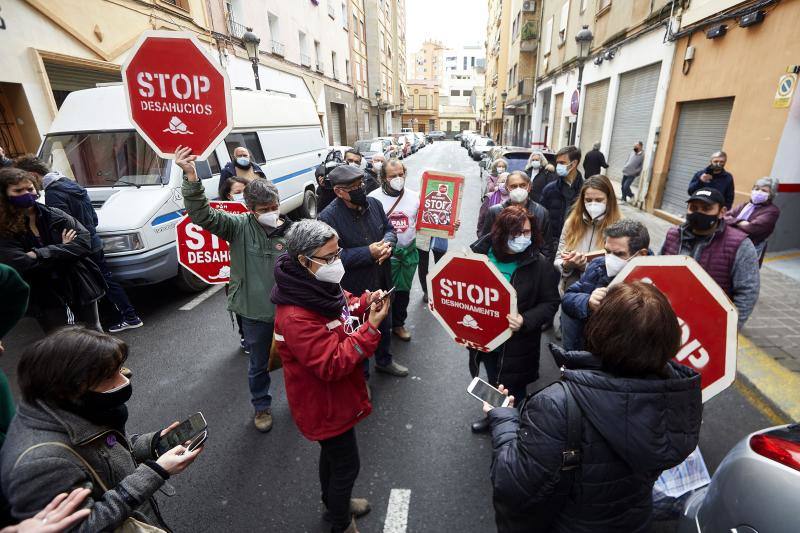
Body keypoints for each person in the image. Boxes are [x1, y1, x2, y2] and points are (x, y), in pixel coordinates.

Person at [486, 282, 702, 533]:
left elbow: (511, 483)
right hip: (636, 521)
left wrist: (503, 419)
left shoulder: (558, 404)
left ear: (600, 330)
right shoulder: (678, 397)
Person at [1, 327, 203, 531]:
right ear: (68, 388)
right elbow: (84, 527)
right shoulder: (41, 464)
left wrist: (154, 443)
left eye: (120, 369)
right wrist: (155, 472)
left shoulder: (63, 408)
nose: (124, 381)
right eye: (109, 377)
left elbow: (103, 450)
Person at [272, 219, 389, 533]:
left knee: (334, 457)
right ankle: (340, 521)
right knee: (347, 466)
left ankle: (332, 502)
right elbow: (332, 363)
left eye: (338, 254)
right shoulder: (296, 314)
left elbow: (343, 305)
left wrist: (365, 303)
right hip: (322, 403)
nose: (337, 262)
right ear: (303, 260)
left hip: (334, 399)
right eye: (329, 257)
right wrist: (372, 328)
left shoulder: (316, 283)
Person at [176, 145, 292, 432]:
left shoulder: (292, 231)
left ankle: (299, 399)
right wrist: (191, 177)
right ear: (250, 210)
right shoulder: (237, 227)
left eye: (274, 207)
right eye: (264, 210)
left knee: (295, 360)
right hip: (254, 313)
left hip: (289, 311)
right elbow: (202, 214)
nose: (271, 213)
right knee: (258, 365)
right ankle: (262, 407)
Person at [13, 155, 142, 333]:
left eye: (29, 186)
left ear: (34, 174)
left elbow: (58, 230)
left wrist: (63, 245)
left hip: (80, 249)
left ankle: (129, 317)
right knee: (105, 281)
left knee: (97, 287)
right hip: (93, 241)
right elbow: (92, 218)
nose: (28, 193)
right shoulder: (70, 184)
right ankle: (127, 316)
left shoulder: (53, 193)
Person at [468, 206, 560, 433]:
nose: (522, 238)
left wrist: (525, 319)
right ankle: (494, 418)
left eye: (527, 232)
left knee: (514, 389)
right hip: (486, 340)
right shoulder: (479, 256)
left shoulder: (539, 265)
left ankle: (512, 427)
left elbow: (550, 303)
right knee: (492, 381)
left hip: (518, 344)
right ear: (501, 233)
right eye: (516, 233)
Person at [318, 164, 408, 377]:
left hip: (382, 279)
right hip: (355, 288)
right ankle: (362, 377)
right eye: (354, 187)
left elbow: (389, 229)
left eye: (361, 184)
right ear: (339, 191)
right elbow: (330, 257)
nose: (361, 189)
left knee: (383, 323)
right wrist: (368, 253)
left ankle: (384, 361)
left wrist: (387, 245)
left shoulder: (374, 204)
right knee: (358, 331)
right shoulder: (327, 218)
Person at [0, 168, 104, 333]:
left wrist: (40, 253)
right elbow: (20, 263)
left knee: (94, 331)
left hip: (76, 282)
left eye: (30, 189)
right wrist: (64, 249)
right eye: (18, 190)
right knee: (60, 339)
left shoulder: (53, 214)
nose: (26, 193)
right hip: (43, 293)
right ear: (5, 195)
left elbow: (84, 242)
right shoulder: (4, 229)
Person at [661, 187, 759, 328]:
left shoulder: (740, 245)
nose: (698, 213)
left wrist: (728, 331)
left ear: (722, 212)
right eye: (693, 208)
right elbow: (658, 271)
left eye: (706, 209)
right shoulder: (674, 235)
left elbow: (747, 292)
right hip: (668, 319)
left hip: (708, 326)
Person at [561, 219, 650, 351]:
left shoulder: (650, 281)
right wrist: (588, 302)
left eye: (619, 254)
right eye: (608, 252)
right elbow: (568, 297)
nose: (610, 259)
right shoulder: (598, 265)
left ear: (642, 254)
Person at [368, 159, 419, 342]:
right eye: (392, 176)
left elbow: (426, 221)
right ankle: (380, 327)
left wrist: (448, 224)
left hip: (408, 254)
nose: (398, 178)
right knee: (385, 293)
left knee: (404, 292)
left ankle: (398, 324)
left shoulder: (414, 196)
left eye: (400, 174)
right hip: (385, 256)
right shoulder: (373, 198)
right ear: (383, 178)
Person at [555, 175, 622, 292]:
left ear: (609, 199)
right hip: (571, 291)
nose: (593, 204)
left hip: (602, 293)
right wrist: (566, 265)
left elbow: (620, 267)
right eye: (588, 200)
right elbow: (558, 257)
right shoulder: (571, 222)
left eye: (599, 200)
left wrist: (585, 266)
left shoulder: (620, 227)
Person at [480, 171, 556, 262]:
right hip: (501, 263)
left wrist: (542, 269)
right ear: (507, 188)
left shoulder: (541, 212)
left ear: (529, 186)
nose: (518, 189)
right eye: (513, 186)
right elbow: (485, 242)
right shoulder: (495, 211)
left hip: (530, 266)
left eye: (522, 185)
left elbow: (547, 247)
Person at [724, 177, 781, 264]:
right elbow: (724, 217)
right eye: (756, 189)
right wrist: (740, 222)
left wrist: (734, 221)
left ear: (771, 195)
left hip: (751, 249)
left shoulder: (772, 211)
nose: (759, 192)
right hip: (731, 244)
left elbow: (752, 228)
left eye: (764, 191)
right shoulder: (745, 205)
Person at [540, 146, 584, 244]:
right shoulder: (550, 189)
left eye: (562, 163)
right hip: (552, 243)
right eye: (557, 163)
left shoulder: (586, 190)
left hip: (577, 242)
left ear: (574, 163)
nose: (558, 166)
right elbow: (542, 219)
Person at [477, 172, 509, 236]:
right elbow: (482, 218)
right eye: (502, 181)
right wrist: (480, 234)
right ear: (498, 183)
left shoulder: (514, 199)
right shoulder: (489, 197)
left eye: (507, 182)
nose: (504, 184)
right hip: (491, 235)